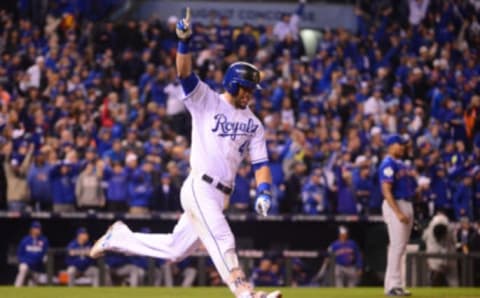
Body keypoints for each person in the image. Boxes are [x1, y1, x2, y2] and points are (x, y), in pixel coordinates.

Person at [90, 8, 280, 298]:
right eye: (246, 88)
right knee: (222, 237)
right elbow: (184, 73)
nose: (249, 94)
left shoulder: (254, 123)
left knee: (175, 250)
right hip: (199, 187)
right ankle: (246, 293)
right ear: (233, 82)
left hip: (222, 194)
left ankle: (120, 237)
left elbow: (261, 163)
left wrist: (264, 189)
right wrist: (184, 42)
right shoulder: (207, 100)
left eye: (252, 90)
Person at [379, 134, 415, 296]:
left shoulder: (401, 164)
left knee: (401, 247)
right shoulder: (388, 163)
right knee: (397, 246)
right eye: (399, 144)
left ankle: (397, 285)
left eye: (403, 145)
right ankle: (392, 286)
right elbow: (386, 190)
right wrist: (398, 212)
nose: (402, 147)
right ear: (391, 145)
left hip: (406, 202)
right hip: (396, 204)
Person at [421, 212, 458, 286]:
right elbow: (455, 241)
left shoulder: (430, 228)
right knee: (452, 280)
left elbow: (423, 238)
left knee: (437, 277)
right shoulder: (449, 227)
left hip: (437, 257)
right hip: (447, 256)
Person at [14, 221, 49, 287]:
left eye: (38, 228)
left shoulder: (44, 240)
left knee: (32, 286)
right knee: (23, 268)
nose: (37, 230)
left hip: (37, 267)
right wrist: (27, 261)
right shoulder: (25, 240)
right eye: (35, 228)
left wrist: (38, 262)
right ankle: (17, 287)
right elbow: (20, 254)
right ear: (31, 229)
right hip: (27, 265)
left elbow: (45, 254)